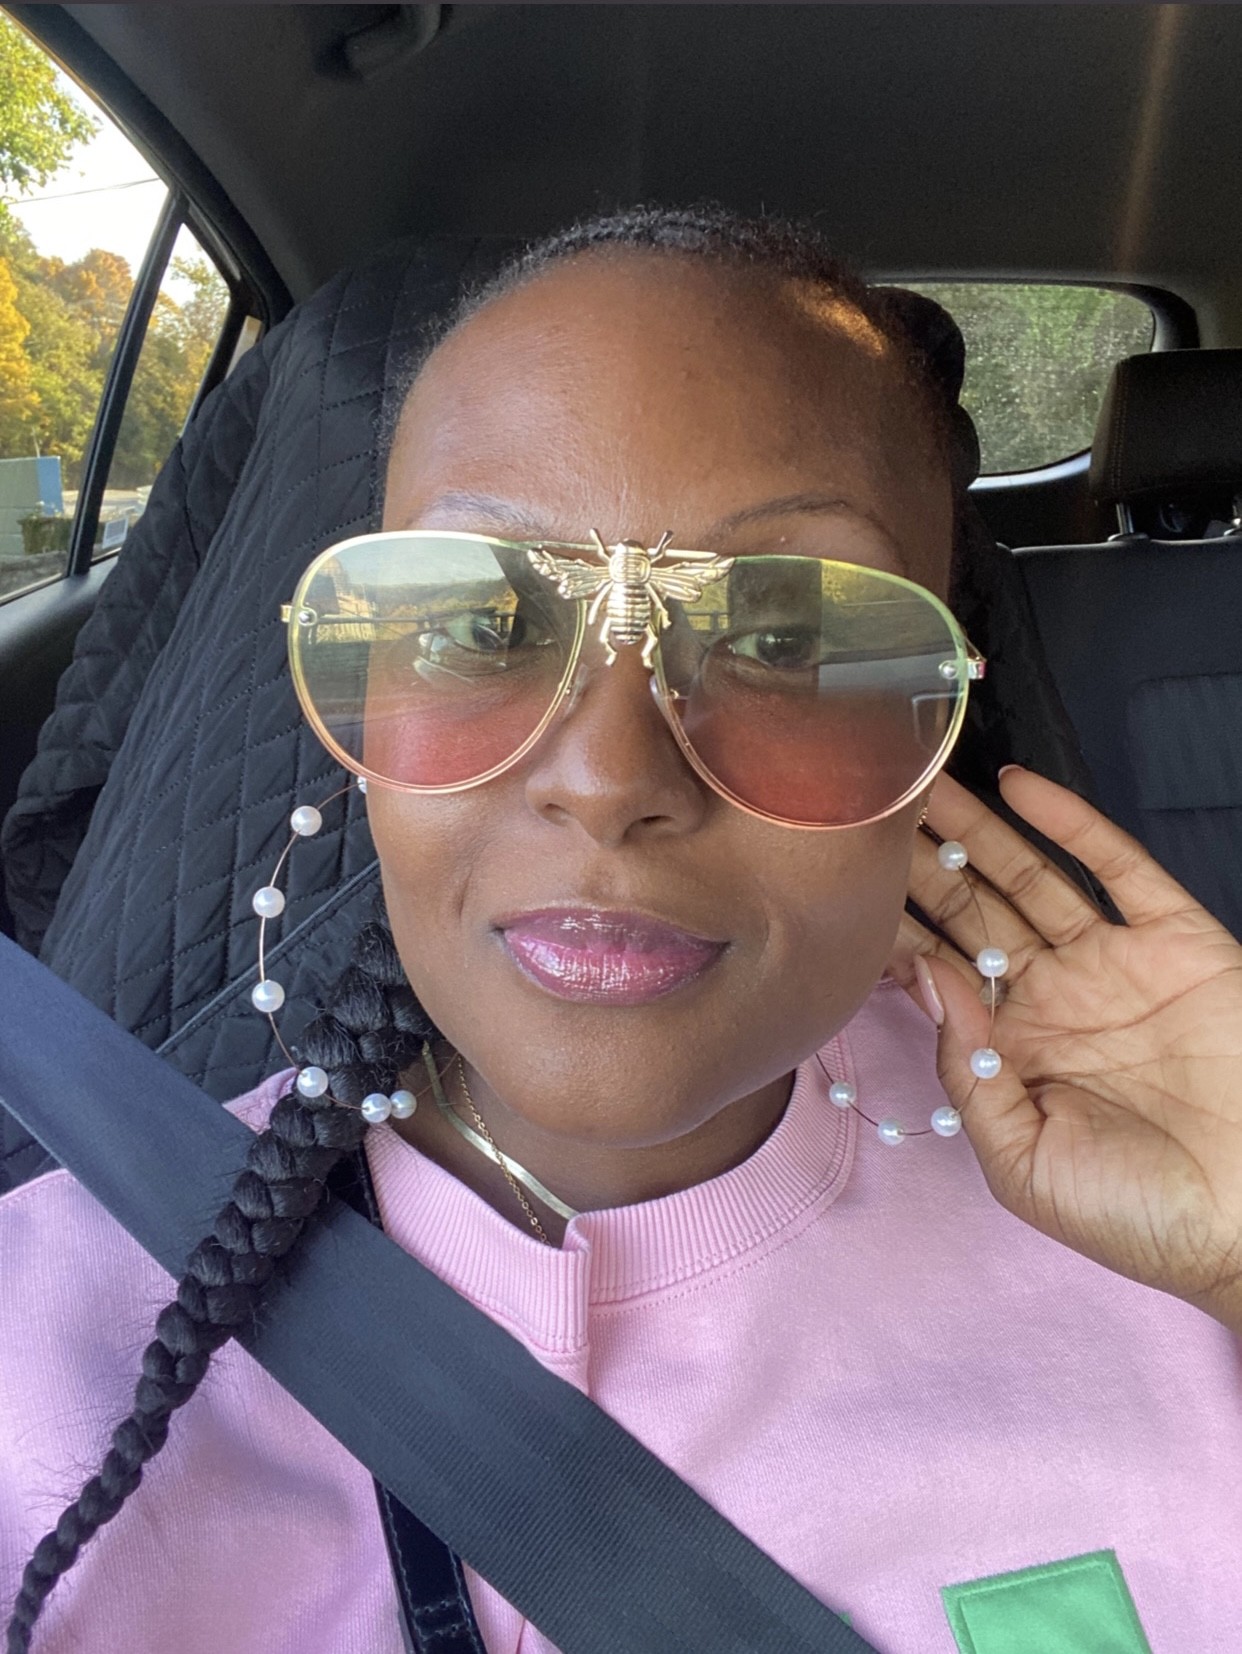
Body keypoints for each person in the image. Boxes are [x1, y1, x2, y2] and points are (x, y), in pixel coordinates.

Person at [3, 206, 1242, 1654]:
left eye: (782, 639)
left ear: (936, 727)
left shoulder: (1168, 1235)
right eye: (479, 625)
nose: (605, 775)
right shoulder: (43, 1334)